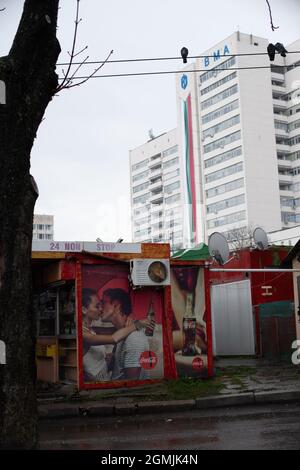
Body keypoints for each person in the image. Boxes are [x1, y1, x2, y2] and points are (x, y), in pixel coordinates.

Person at [82, 288, 146, 382]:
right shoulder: (83, 332)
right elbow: (113, 337)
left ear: (116, 305)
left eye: (103, 303)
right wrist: (136, 324)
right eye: (97, 306)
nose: (100, 309)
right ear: (84, 310)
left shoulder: (132, 337)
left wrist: (110, 361)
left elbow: (132, 381)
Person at [101, 288, 150, 381]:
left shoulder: (134, 338)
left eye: (103, 302)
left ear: (116, 305)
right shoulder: (123, 334)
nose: (100, 307)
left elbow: (132, 384)